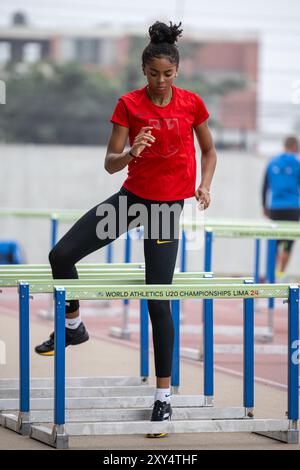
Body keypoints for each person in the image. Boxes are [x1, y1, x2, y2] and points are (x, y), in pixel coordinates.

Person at [35, 21, 217, 437]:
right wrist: (132, 150)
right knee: (60, 255)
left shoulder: (191, 104)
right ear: (143, 71)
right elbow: (110, 162)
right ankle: (73, 326)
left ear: (177, 72)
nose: (159, 81)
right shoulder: (128, 105)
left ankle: (163, 399)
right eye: (153, 74)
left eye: (167, 74)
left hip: (166, 211)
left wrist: (204, 185)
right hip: (131, 201)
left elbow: (208, 150)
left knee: (156, 299)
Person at [262, 136, 300, 279]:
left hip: (275, 207)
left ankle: (272, 274)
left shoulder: (272, 162)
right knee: (288, 243)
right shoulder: (297, 162)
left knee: (275, 242)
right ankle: (280, 272)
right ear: (295, 148)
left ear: (284, 146)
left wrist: (264, 205)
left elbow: (265, 186)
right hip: (293, 207)